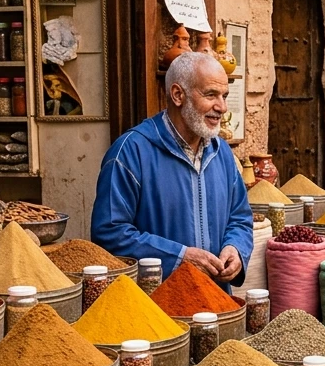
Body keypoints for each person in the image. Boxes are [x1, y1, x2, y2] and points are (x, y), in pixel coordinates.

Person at [92, 51, 254, 289]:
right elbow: (109, 233)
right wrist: (178, 257)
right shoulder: (130, 152)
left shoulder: (222, 154)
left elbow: (239, 217)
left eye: (224, 96)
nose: (221, 107)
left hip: (215, 302)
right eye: (211, 95)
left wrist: (236, 248)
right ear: (178, 95)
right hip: (155, 306)